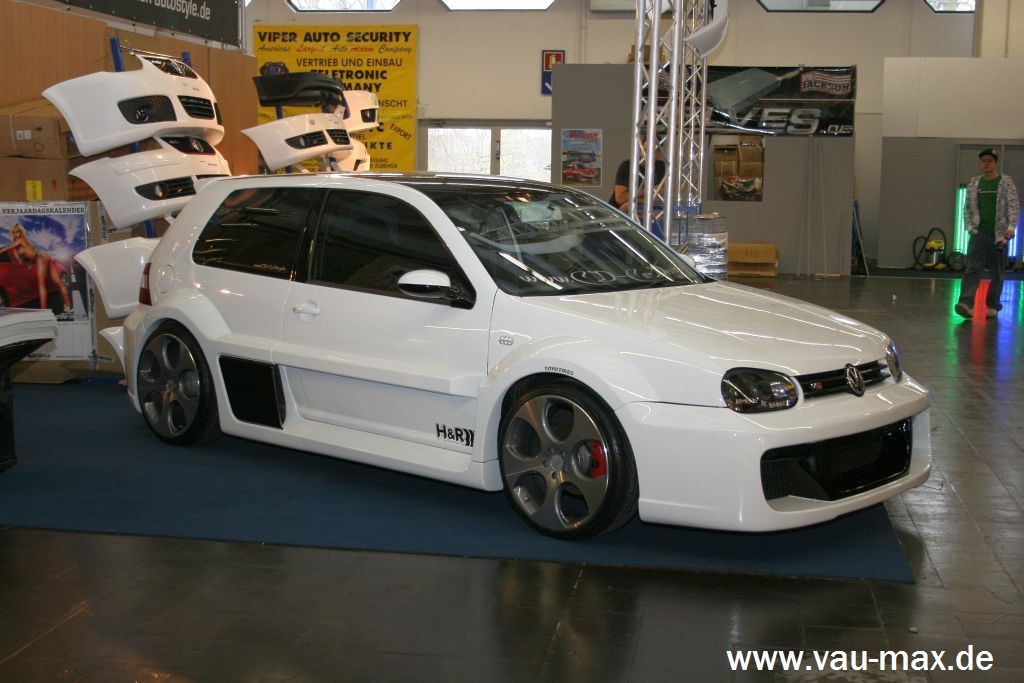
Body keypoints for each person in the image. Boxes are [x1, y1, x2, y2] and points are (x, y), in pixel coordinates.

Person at [954, 149, 1021, 319]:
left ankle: (993, 306)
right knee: (972, 269)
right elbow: (967, 208)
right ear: (980, 163)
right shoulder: (974, 183)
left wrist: (1011, 227)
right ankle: (965, 303)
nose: (986, 164)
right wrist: (970, 228)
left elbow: (1013, 206)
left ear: (995, 163)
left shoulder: (1006, 182)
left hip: (999, 236)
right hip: (979, 234)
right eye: (983, 160)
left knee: (997, 273)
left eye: (989, 160)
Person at [0, 223, 73, 314]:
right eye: (14, 232)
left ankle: (43, 312)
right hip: (43, 256)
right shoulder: (21, 243)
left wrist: (1, 250)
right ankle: (68, 306)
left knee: (41, 284)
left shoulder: (20, 240)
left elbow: (7, 248)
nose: (15, 234)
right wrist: (30, 264)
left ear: (21, 232)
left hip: (40, 258)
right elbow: (29, 254)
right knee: (58, 282)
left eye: (17, 231)